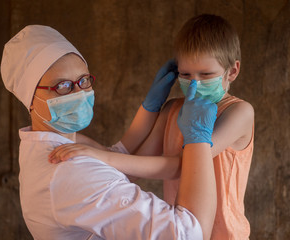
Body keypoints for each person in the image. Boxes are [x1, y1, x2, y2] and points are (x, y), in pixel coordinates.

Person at [0, 24, 218, 240]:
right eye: (63, 86)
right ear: (30, 100)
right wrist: (197, 138)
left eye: (84, 80)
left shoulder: (49, 143)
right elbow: (188, 235)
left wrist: (151, 109)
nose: (79, 92)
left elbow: (116, 160)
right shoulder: (69, 170)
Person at [50, 14, 255, 240]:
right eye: (186, 74)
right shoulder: (171, 111)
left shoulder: (240, 112)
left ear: (232, 71)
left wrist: (101, 157)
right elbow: (133, 166)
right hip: (182, 231)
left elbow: (181, 165)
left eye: (206, 75)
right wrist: (74, 140)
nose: (194, 83)